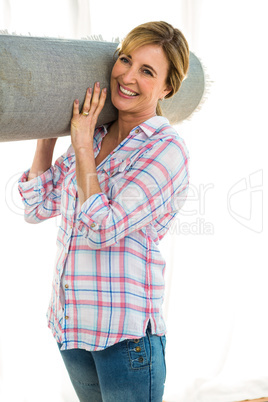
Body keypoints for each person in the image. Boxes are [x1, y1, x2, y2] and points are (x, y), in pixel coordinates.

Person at [18, 21, 190, 402]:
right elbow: (35, 205)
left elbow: (101, 228)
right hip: (73, 326)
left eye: (147, 71)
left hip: (124, 340)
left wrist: (80, 149)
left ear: (167, 87)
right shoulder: (95, 136)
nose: (127, 76)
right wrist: (49, 129)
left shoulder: (166, 150)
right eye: (126, 60)